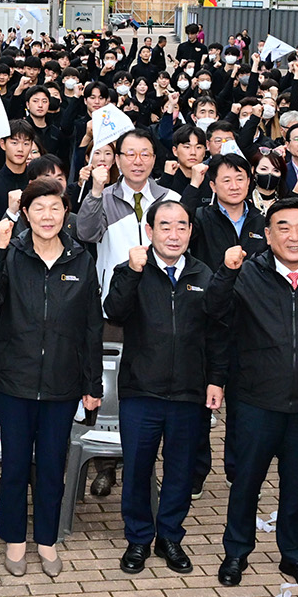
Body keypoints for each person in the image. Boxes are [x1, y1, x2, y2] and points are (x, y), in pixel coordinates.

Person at [208, 197, 298, 592]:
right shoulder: (247, 274)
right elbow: (213, 312)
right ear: (267, 235)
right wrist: (225, 271)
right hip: (254, 401)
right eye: (283, 227)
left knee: (297, 485)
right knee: (246, 482)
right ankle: (236, 553)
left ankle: (294, 557)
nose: (294, 235)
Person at [0, 178, 104, 578]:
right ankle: (15, 539)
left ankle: (46, 539)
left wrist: (92, 384)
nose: (47, 216)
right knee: (14, 466)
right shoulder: (12, 253)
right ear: (26, 213)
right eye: (38, 208)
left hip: (62, 384)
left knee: (51, 466)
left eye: (55, 208)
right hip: (14, 381)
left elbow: (91, 327)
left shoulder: (80, 259)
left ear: (65, 212)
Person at [103, 200, 211, 575]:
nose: (174, 234)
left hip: (188, 393)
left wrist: (214, 381)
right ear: (149, 231)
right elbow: (114, 311)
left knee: (180, 471)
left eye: (181, 226)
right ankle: (137, 538)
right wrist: (132, 272)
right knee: (137, 468)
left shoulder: (203, 274)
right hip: (141, 391)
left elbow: (216, 333)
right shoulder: (132, 268)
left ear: (190, 232)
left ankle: (170, 537)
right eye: (165, 226)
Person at [76, 129, 179, 302]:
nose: (138, 162)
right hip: (114, 299)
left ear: (154, 159)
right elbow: (86, 234)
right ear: (118, 159)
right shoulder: (103, 198)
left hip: (161, 301)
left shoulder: (172, 199)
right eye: (130, 154)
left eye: (145, 155)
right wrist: (95, 193)